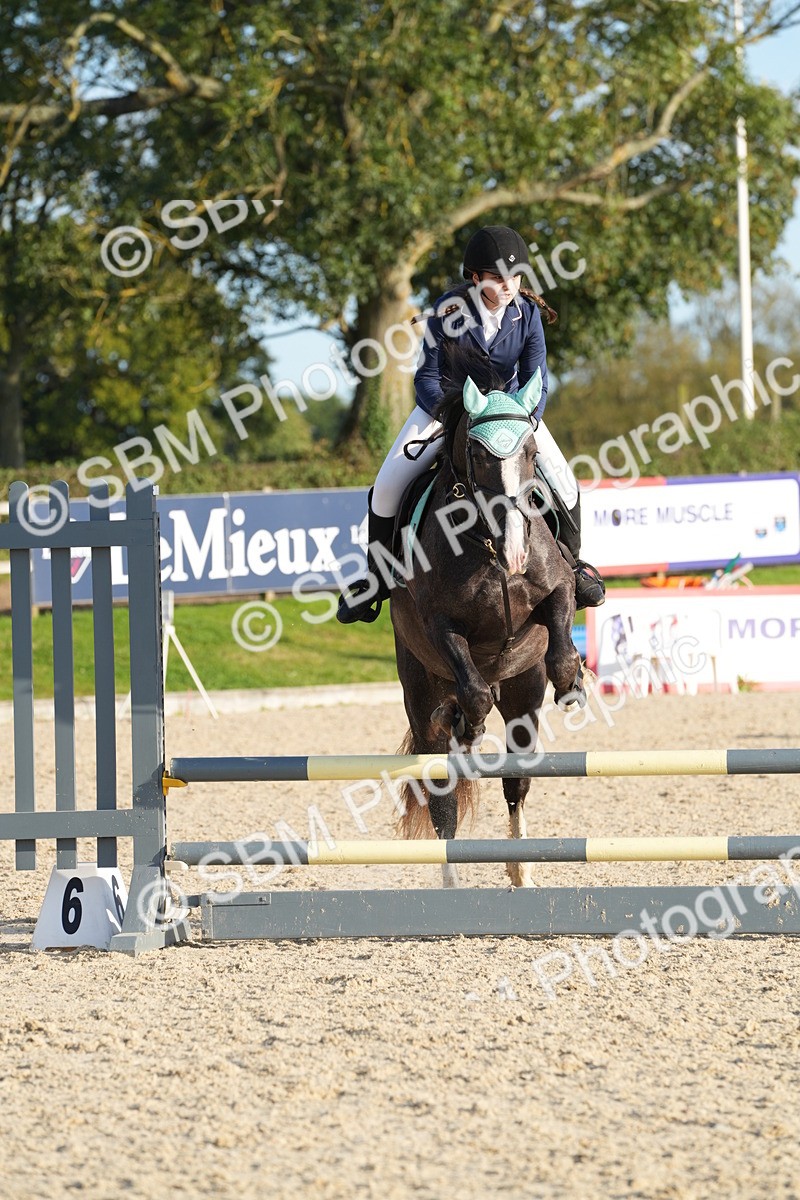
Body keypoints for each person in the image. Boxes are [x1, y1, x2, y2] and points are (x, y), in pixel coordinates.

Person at [337, 224, 606, 624]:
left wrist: (521, 420)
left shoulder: (528, 314)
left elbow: (538, 381)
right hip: (447, 411)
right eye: (498, 278)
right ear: (476, 278)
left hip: (511, 414)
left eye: (515, 277)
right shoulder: (446, 314)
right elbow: (426, 379)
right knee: (387, 486)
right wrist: (456, 419)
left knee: (565, 481)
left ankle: (575, 565)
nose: (509, 286)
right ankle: (375, 579)